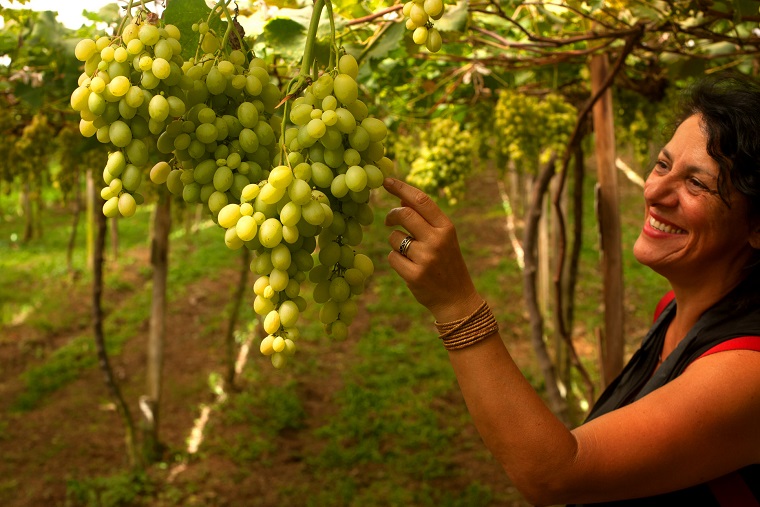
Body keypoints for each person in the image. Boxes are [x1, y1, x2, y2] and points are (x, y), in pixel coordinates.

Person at [383, 73, 760, 506]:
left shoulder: (749, 373)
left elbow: (557, 473)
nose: (654, 190)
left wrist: (455, 304)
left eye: (696, 183)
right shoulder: (672, 310)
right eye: (661, 164)